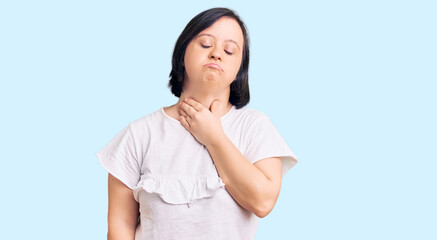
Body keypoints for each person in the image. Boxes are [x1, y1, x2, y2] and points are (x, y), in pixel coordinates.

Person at [96, 7, 298, 240]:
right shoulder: (138, 134)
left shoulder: (254, 126)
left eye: (230, 50)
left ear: (239, 69)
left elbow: (263, 202)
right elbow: (120, 226)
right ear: (182, 53)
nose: (216, 54)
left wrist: (214, 138)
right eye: (205, 44)